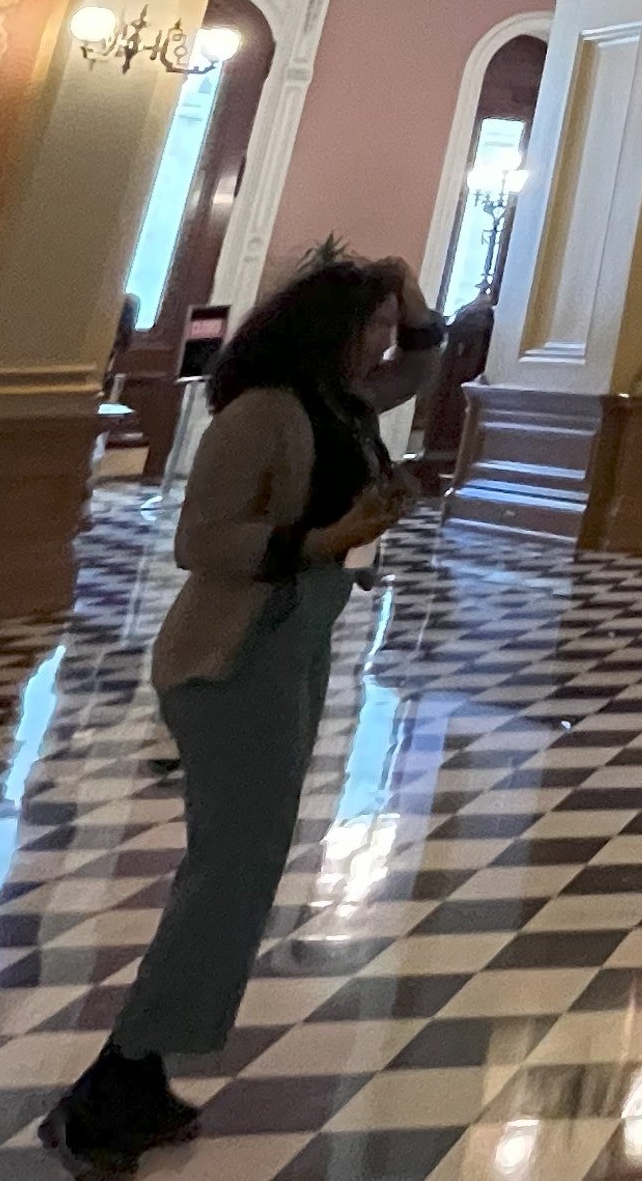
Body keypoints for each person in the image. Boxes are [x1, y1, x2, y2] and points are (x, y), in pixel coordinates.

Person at [44, 247, 442, 1170]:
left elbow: (423, 367)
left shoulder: (345, 405)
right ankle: (115, 1078)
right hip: (232, 653)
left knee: (247, 866)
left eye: (385, 329)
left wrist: (404, 285)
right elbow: (202, 540)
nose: (383, 343)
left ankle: (140, 1072)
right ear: (323, 331)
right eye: (368, 328)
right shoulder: (264, 412)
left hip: (298, 640)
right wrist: (326, 538)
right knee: (233, 870)